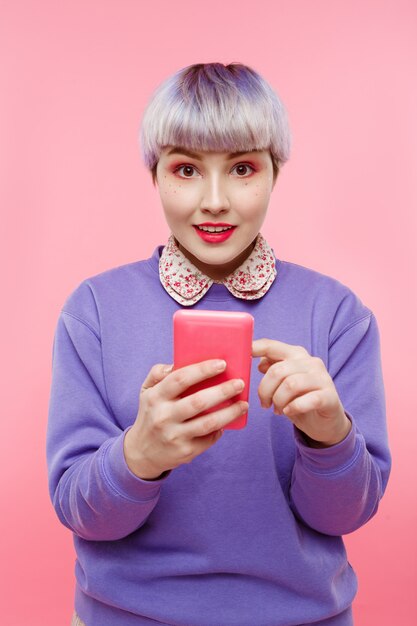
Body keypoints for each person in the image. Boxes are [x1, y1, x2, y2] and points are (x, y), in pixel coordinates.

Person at [46, 62, 391, 626]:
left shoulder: (338, 315)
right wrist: (141, 455)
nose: (214, 201)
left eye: (242, 168)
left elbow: (344, 516)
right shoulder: (94, 311)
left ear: (275, 174)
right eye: (185, 169)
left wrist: (330, 435)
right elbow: (80, 511)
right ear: (153, 176)